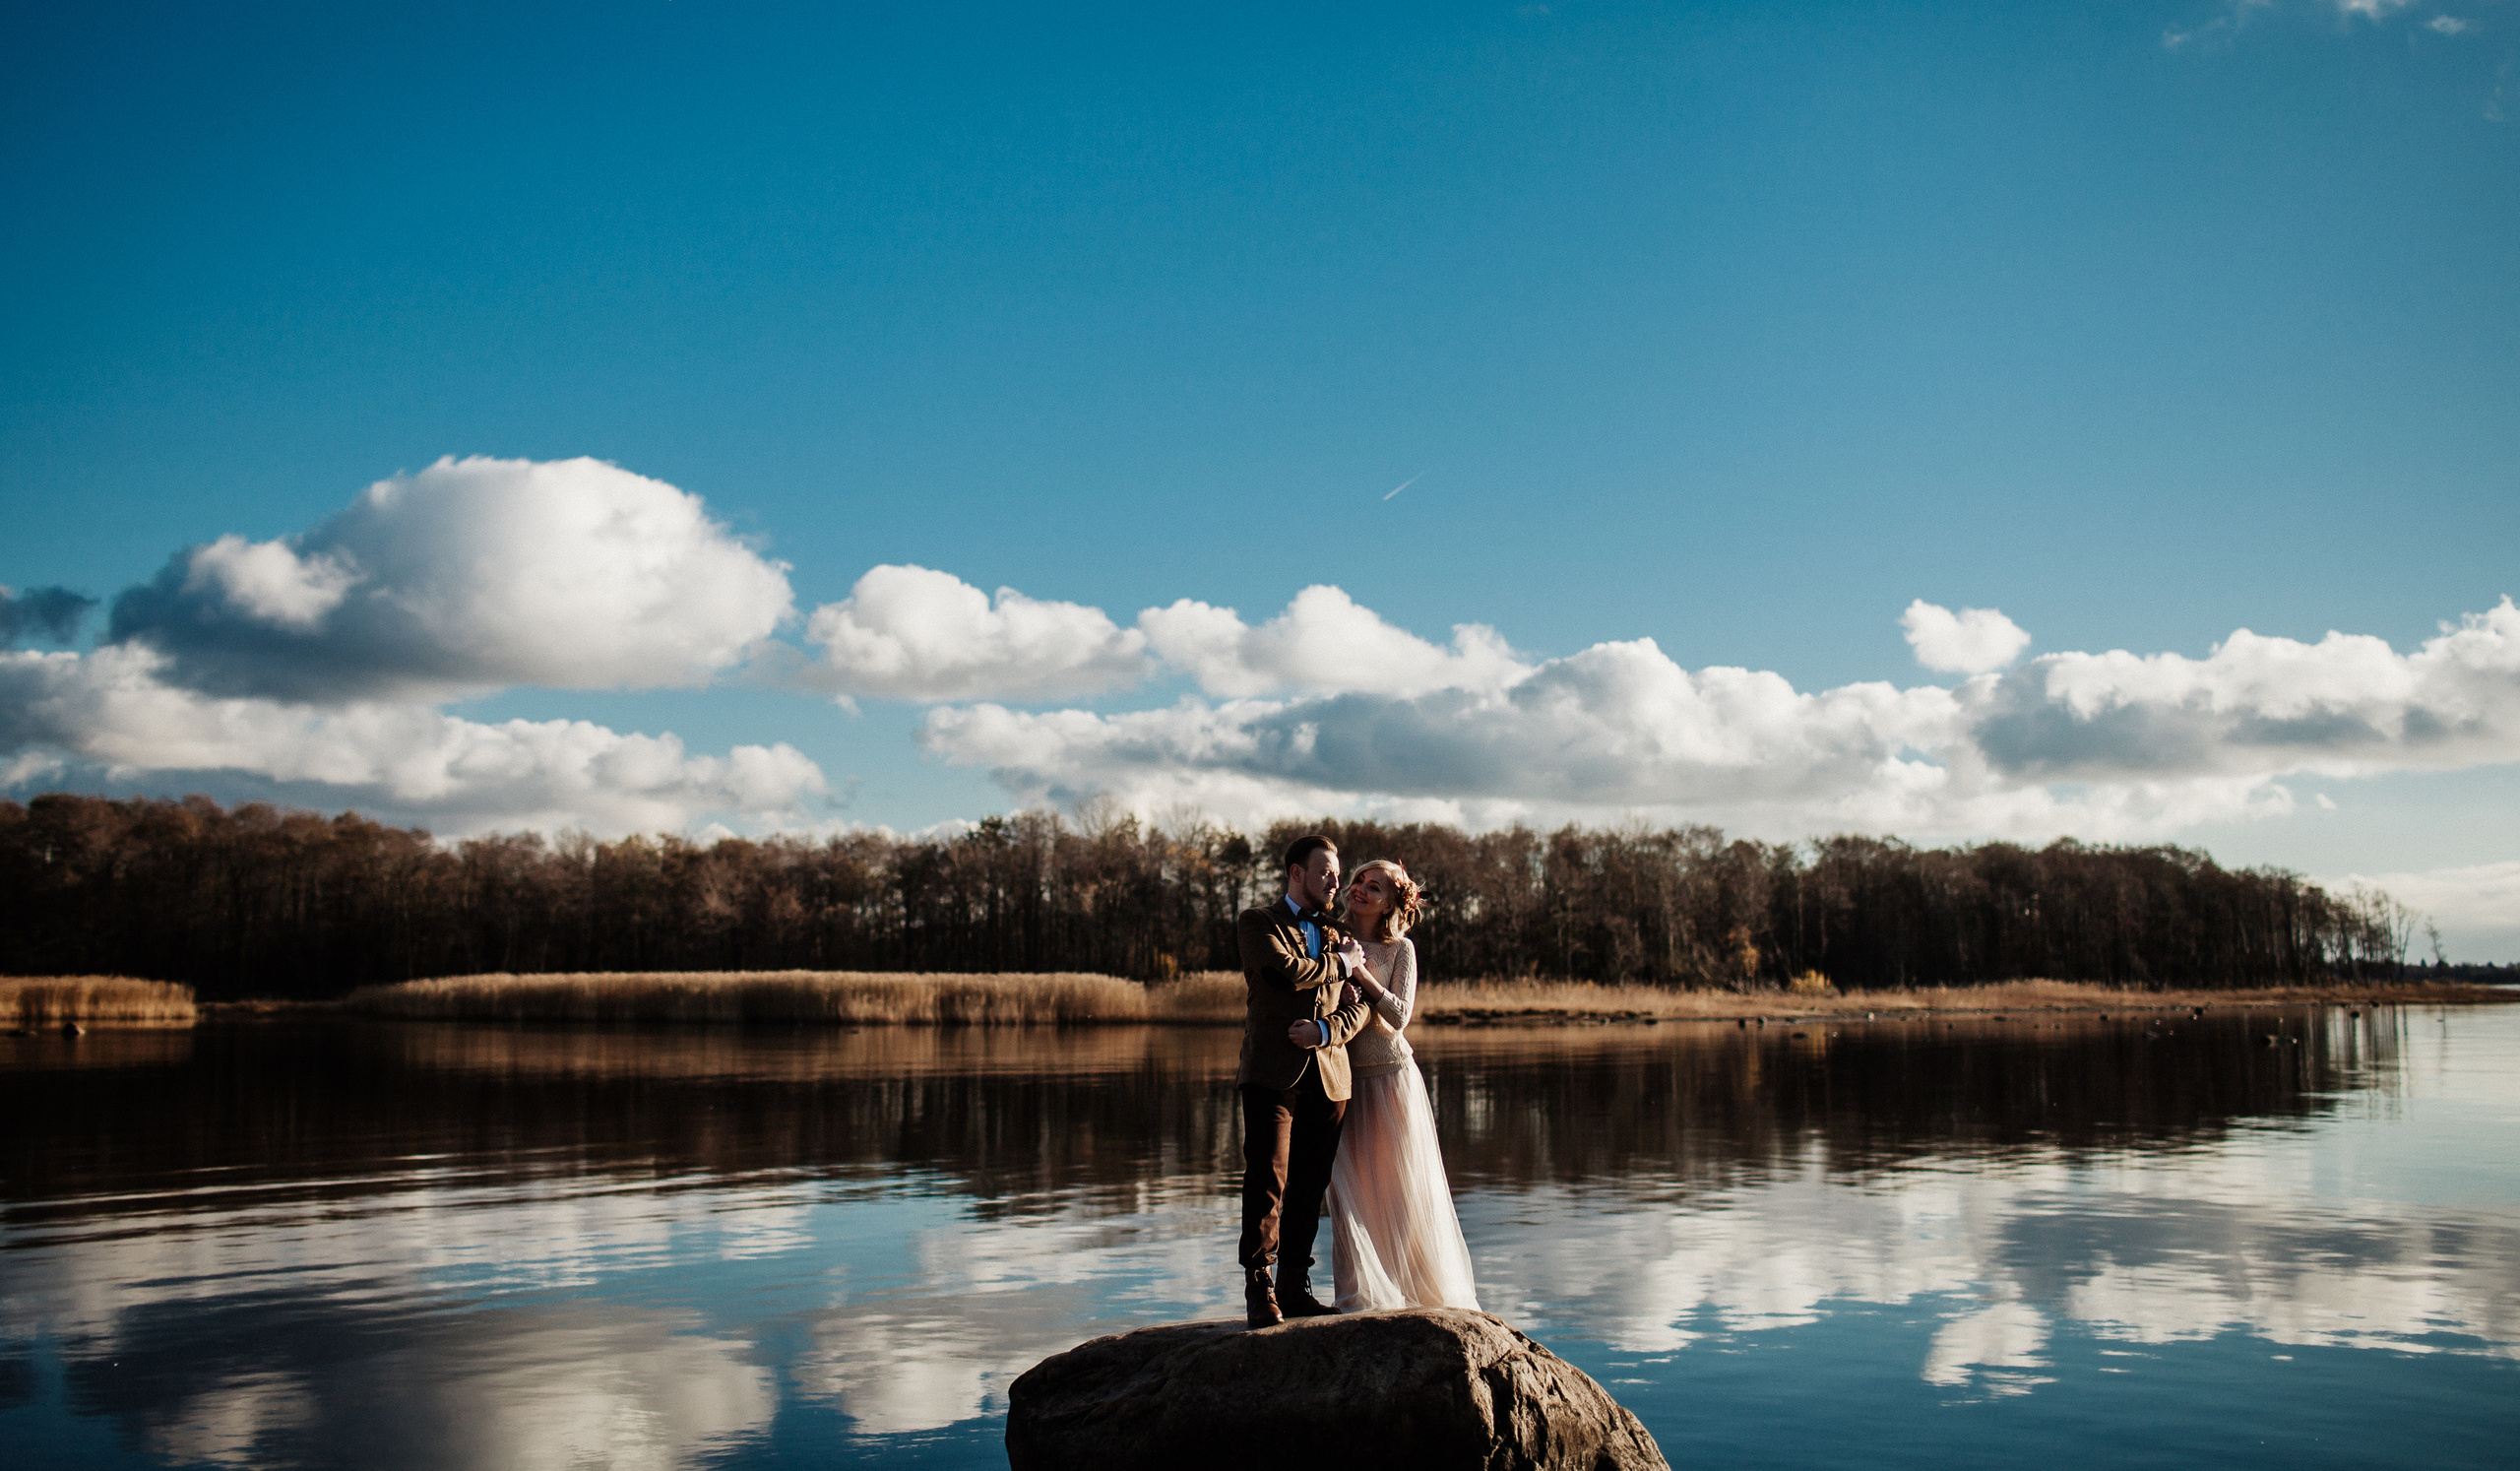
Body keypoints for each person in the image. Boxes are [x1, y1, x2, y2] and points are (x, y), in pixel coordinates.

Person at [1292, 858, 1480, 1312]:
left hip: (1391, 1081)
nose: (1360, 888)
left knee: (1400, 1191)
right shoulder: (1330, 936)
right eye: (1359, 879)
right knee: (1349, 1194)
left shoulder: (1401, 950)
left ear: (1391, 903)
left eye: (1374, 887)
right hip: (1342, 1080)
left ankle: (1420, 1294)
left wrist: (1359, 971)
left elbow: (1398, 1016)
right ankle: (1358, 1296)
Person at [1235, 834, 1375, 1329]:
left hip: (1331, 1075)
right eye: (1326, 873)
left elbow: (1362, 1006)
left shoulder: (1340, 933)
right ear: (1297, 873)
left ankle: (1294, 1285)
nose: (1336, 882)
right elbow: (1286, 973)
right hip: (1271, 1074)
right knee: (1267, 1177)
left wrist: (1325, 1031)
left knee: (1310, 1185)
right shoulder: (1258, 922)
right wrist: (1343, 964)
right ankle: (1259, 1288)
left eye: (1337, 873)